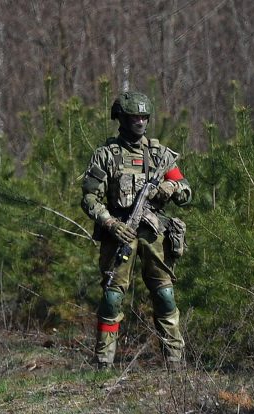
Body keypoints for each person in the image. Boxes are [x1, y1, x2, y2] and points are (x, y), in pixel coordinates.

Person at [81, 91, 192, 369]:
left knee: (165, 295)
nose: (140, 122)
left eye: (145, 116)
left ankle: (175, 361)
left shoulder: (159, 154)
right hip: (119, 233)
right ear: (121, 118)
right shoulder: (106, 155)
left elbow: (186, 191)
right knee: (112, 297)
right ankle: (104, 363)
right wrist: (110, 223)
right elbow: (89, 198)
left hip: (154, 233)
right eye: (135, 117)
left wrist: (172, 187)